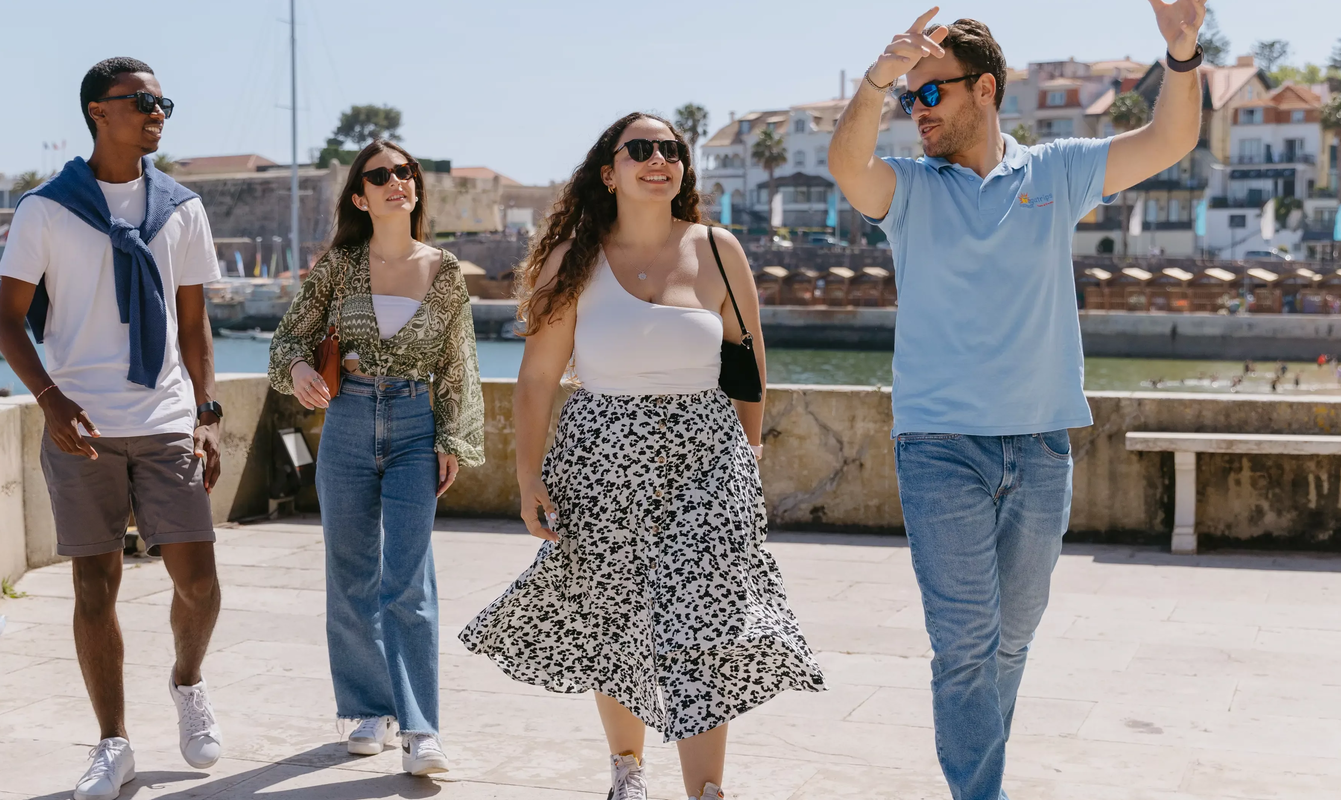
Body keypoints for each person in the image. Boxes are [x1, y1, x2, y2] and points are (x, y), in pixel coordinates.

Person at [825, 4, 1207, 799]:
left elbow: (1170, 141)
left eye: (930, 95)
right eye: (909, 100)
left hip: (1041, 448)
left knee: (1011, 641)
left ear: (985, 90)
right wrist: (877, 80)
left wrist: (1180, 55)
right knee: (965, 643)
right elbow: (847, 164)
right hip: (939, 448)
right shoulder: (908, 191)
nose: (916, 113)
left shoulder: (1055, 172)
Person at [460, 112, 825, 800]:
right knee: (616, 615)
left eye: (672, 150)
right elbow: (537, 379)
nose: (659, 159)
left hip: (707, 458)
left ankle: (706, 789)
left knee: (708, 619)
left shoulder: (718, 250)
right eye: (641, 150)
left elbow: (748, 365)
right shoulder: (574, 260)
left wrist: (745, 457)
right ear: (610, 171)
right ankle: (628, 770)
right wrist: (528, 477)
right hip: (601, 455)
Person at [0, 57, 225, 800]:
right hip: (81, 424)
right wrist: (50, 400)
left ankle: (188, 682)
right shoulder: (46, 209)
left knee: (198, 581)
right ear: (99, 110)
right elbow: (7, 319)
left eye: (164, 102)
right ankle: (113, 742)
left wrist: (207, 412)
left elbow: (195, 323)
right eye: (143, 101)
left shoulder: (182, 208)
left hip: (162, 417)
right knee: (95, 584)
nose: (159, 113)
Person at [266, 139, 484, 777]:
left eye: (406, 173)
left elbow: (459, 365)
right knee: (350, 570)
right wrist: (303, 369)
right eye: (381, 175)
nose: (398, 181)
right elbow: (288, 340)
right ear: (360, 196)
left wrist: (452, 440)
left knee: (409, 578)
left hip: (417, 423)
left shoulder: (444, 270)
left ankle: (420, 726)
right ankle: (366, 708)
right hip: (349, 419)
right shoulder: (340, 265)